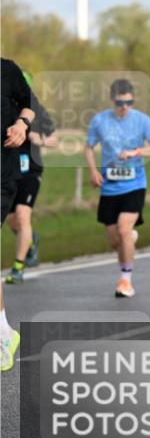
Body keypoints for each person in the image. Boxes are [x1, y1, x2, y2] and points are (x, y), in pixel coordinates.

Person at [84, 79, 150, 298]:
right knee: (114, 240)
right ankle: (129, 240)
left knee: (123, 229)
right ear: (112, 99)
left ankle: (125, 280)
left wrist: (137, 152)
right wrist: (93, 171)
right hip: (109, 187)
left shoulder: (142, 120)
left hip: (135, 184)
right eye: (121, 102)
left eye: (130, 102)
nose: (125, 107)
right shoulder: (99, 121)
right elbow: (89, 148)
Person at [5, 73, 55, 284]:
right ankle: (31, 241)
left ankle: (18, 268)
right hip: (8, 173)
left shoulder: (37, 111)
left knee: (23, 216)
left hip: (31, 172)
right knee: (13, 221)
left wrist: (39, 139)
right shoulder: (5, 107)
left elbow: (54, 139)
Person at [1, 58, 34, 373]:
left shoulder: (7, 71)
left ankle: (1, 333)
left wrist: (22, 125)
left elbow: (29, 104)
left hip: (3, 174)